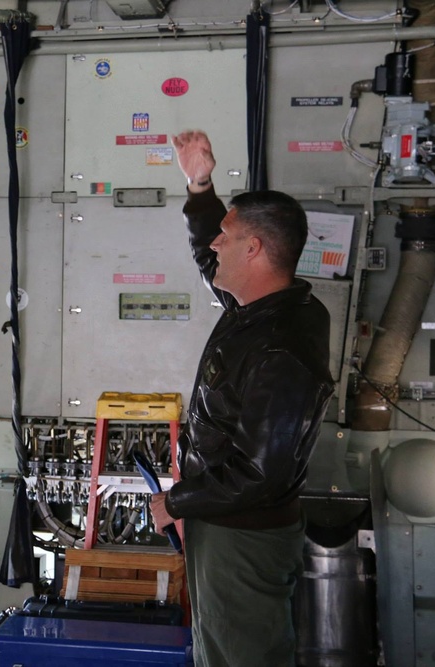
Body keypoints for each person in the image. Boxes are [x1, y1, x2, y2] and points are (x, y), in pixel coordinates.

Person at [150, 130, 334, 667]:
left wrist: (176, 502)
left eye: (226, 237)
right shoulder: (265, 308)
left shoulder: (281, 346)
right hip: (226, 523)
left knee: (239, 657)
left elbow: (260, 473)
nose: (215, 244)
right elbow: (212, 259)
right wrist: (199, 185)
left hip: (241, 536)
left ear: (253, 250)